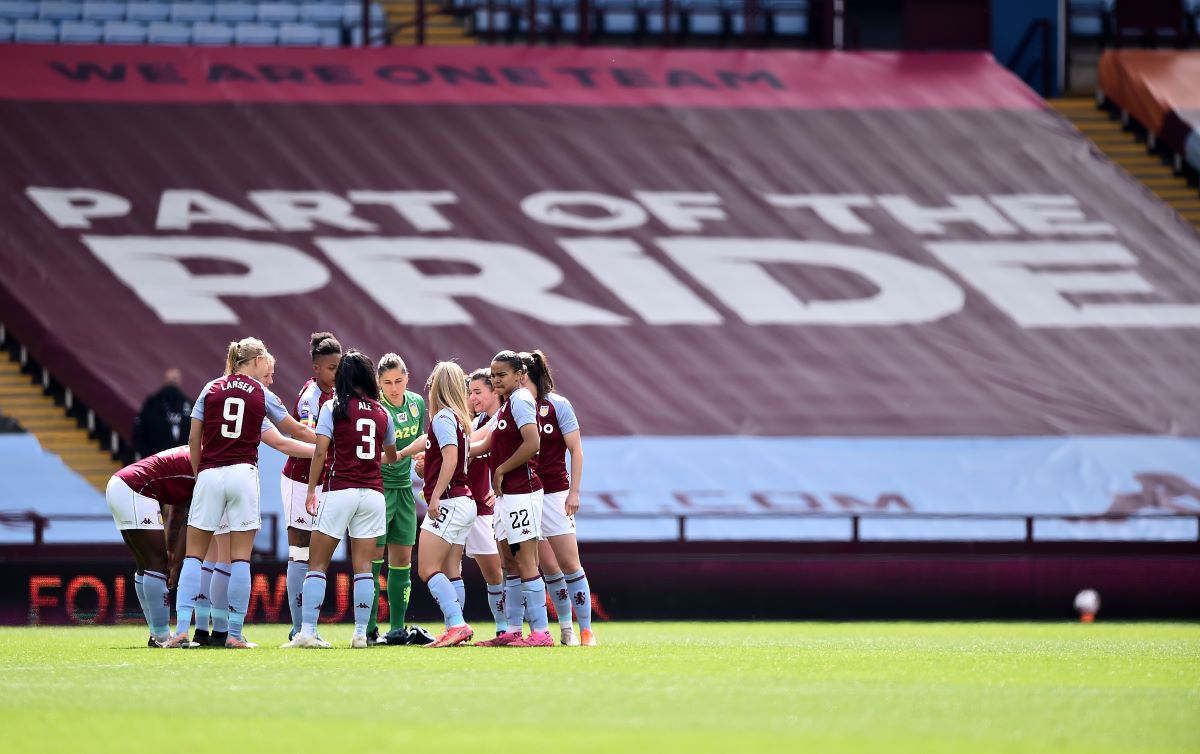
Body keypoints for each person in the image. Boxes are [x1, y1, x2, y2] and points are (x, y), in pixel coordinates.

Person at [163, 337, 317, 649]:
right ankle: (233, 634)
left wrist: (198, 473)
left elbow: (194, 438)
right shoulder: (262, 393)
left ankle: (180, 631)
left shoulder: (210, 388)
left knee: (194, 555)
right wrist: (325, 447)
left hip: (209, 473)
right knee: (240, 560)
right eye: (268, 366)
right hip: (243, 474)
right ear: (258, 360)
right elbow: (294, 431)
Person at [283, 350, 397, 649]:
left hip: (339, 490)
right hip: (373, 494)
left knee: (317, 564)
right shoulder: (381, 411)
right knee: (363, 568)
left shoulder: (334, 406)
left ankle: (307, 632)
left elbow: (320, 451)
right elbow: (392, 456)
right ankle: (360, 633)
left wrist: (310, 490)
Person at [472, 350, 552, 648]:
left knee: (527, 561)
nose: (496, 380)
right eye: (493, 375)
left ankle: (541, 633)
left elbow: (533, 443)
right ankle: (513, 631)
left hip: (523, 492)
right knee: (509, 561)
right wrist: (441, 456)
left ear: (520, 374)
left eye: (501, 374)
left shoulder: (520, 400)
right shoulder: (506, 406)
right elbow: (482, 444)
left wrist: (502, 469)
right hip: (507, 496)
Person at [394, 361, 477, 648]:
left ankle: (456, 624)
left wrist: (436, 495)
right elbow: (430, 445)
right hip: (464, 501)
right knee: (452, 570)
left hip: (450, 501)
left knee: (428, 568)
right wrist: (404, 454)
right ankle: (456, 629)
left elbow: (451, 459)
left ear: (437, 387)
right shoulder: (459, 420)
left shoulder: (442, 417)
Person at [520, 351, 597, 647]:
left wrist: (574, 491)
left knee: (570, 564)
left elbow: (576, 450)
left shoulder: (558, 405)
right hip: (526, 494)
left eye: (520, 374)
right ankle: (566, 629)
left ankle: (587, 630)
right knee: (548, 567)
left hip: (555, 494)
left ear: (528, 374)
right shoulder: (515, 406)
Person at [279, 332, 342, 641]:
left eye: (339, 367)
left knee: (316, 555)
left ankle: (308, 627)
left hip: (322, 482)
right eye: (331, 368)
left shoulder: (338, 394)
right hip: (299, 479)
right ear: (316, 368)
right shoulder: (310, 397)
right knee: (300, 551)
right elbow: (309, 437)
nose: (337, 373)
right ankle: (298, 628)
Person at [370, 353, 431, 646]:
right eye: (387, 383)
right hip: (378, 491)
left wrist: (420, 464)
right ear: (378, 384)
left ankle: (395, 628)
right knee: (371, 561)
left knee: (402, 561)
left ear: (407, 378)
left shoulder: (418, 404)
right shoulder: (376, 409)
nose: (394, 388)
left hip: (405, 491)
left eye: (398, 381)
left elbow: (420, 448)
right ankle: (367, 629)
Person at [460, 368, 507, 638]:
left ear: (494, 392)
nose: (472, 398)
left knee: (505, 571)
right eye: (469, 393)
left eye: (478, 392)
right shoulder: (477, 422)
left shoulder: (499, 419)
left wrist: (433, 449)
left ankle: (515, 628)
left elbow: (470, 445)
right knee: (492, 575)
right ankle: (501, 629)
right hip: (471, 506)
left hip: (490, 509)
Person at [132, 368, 192, 458]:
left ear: (180, 381)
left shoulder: (189, 405)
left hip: (184, 462)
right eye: (169, 378)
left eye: (174, 379)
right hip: (157, 460)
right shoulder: (151, 404)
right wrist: (148, 458)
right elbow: (139, 433)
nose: (171, 382)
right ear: (164, 380)